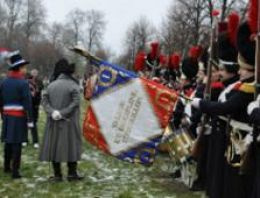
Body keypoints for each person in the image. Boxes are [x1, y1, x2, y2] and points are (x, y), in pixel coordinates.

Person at [40, 58, 83, 182]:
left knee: (54, 146)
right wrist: (61, 112)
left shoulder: (51, 85)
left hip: (54, 121)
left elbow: (44, 101)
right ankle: (72, 173)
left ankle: (57, 175)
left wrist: (53, 112)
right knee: (71, 146)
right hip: (70, 122)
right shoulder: (73, 85)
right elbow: (75, 103)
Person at [0, 51, 33, 179]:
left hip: (7, 116)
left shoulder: (4, 81)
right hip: (19, 116)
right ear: (19, 68)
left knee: (8, 142)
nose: (26, 69)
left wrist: (2, 114)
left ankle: (7, 166)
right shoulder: (23, 83)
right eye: (24, 67)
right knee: (17, 143)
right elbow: (27, 102)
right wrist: (30, 119)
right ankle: (15, 171)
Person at [23, 69, 43, 148]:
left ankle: (35, 141)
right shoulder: (25, 83)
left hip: (34, 106)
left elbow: (39, 91)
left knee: (33, 123)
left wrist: (36, 89)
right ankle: (24, 140)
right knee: (25, 123)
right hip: (26, 106)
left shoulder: (38, 82)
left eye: (35, 73)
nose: (34, 75)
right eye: (33, 73)